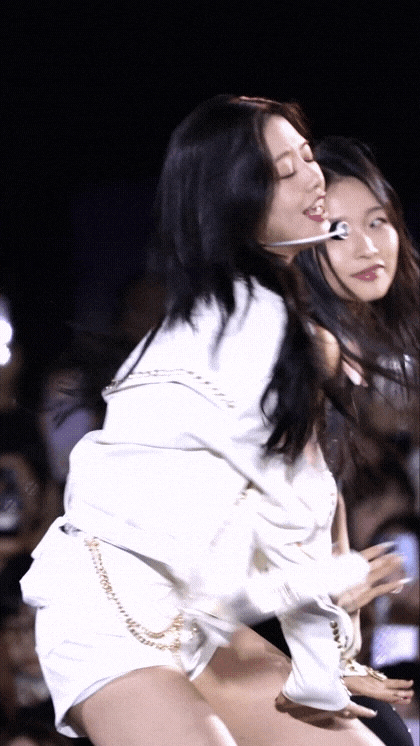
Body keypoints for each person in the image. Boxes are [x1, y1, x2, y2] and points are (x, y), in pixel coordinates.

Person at [20, 95, 412, 746]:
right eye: (283, 171)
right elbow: (283, 545)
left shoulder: (268, 322)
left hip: (207, 618)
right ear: (236, 199)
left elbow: (297, 525)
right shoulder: (256, 330)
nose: (311, 179)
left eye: (307, 157)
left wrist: (329, 655)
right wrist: (333, 608)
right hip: (111, 607)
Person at [293, 136, 420, 746]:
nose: (368, 246)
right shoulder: (304, 344)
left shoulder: (342, 345)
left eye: (378, 222)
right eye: (339, 231)